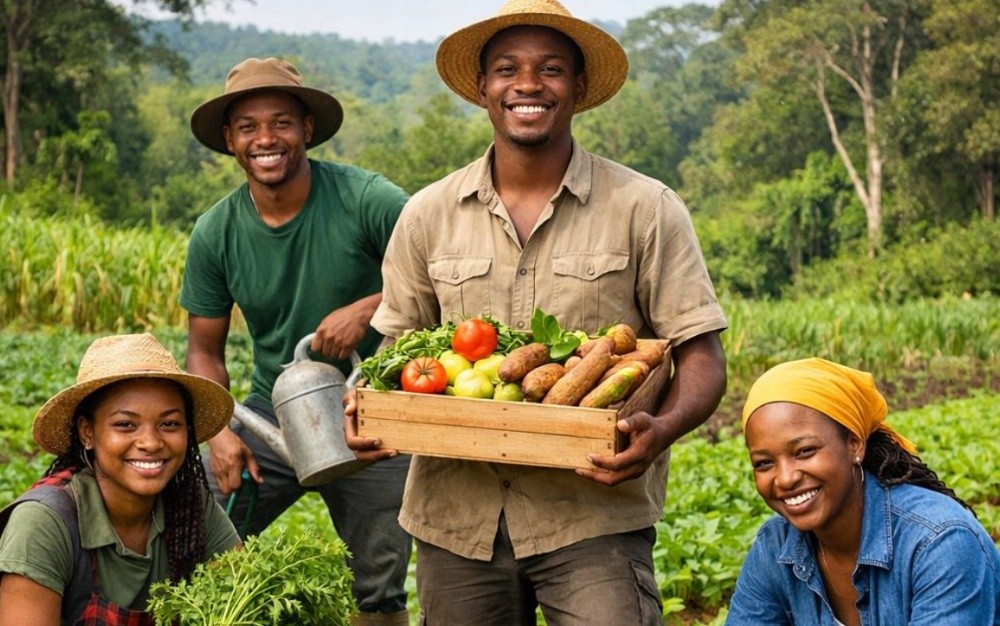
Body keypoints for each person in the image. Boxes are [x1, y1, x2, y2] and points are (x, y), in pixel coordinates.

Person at [345, 1, 728, 623]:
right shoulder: (427, 214)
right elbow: (396, 352)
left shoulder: (645, 208)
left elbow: (701, 356)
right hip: (455, 521)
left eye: (550, 69)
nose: (527, 84)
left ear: (578, 87)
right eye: (507, 69)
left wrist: (661, 429)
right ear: (483, 88)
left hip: (593, 518)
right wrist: (370, 406)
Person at [182, 57, 412, 626]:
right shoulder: (216, 232)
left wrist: (369, 307)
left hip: (374, 407)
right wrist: (218, 432)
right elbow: (205, 352)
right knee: (189, 533)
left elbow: (443, 273)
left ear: (307, 129)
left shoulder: (368, 199)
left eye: (281, 123)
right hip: (275, 410)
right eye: (248, 127)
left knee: (378, 585)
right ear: (230, 141)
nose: (266, 139)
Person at [726, 358, 1000, 626]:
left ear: (854, 444)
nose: (785, 479)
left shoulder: (939, 544)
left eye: (805, 451)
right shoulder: (775, 546)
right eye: (764, 463)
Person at [0, 333, 240, 626]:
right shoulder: (44, 524)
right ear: (87, 433)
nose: (150, 442)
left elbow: (241, 592)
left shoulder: (190, 506)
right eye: (125, 425)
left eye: (169, 424)